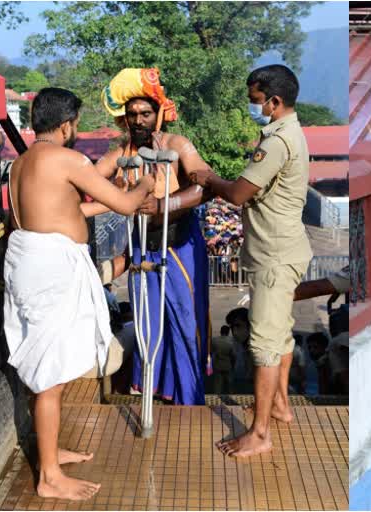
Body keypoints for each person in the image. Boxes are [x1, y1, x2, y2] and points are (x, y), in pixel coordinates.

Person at [3, 88, 155, 500]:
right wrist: (145, 186)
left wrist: (115, 201)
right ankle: (49, 476)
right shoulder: (70, 159)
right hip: (52, 270)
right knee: (50, 379)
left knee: (50, 370)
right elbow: (125, 204)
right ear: (68, 124)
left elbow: (62, 211)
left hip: (32, 262)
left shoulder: (21, 164)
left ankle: (50, 452)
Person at [188, 65, 313, 457]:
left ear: (275, 102)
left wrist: (209, 179)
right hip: (282, 248)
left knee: (263, 345)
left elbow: (239, 194)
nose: (252, 108)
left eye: (256, 101)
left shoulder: (277, 142)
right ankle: (278, 405)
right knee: (281, 334)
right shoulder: (288, 132)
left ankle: (259, 434)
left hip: (274, 257)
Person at [95, 68, 213, 405]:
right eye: (131, 114)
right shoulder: (121, 152)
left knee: (184, 324)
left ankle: (189, 399)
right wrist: (111, 187)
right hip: (142, 248)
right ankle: (156, 395)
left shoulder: (178, 145)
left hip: (179, 246)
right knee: (149, 323)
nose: (138, 120)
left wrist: (163, 204)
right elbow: (89, 179)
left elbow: (205, 184)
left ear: (158, 113)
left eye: (145, 113)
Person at [226, 307, 254, 393]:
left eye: (238, 326)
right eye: (232, 327)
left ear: (250, 326)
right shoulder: (238, 345)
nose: (234, 332)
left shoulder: (258, 349)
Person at [206, 326, 235, 394]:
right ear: (228, 332)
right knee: (229, 384)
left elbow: (209, 353)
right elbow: (234, 355)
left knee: (217, 384)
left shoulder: (214, 340)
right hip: (228, 365)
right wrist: (233, 365)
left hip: (217, 365)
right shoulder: (231, 341)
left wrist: (209, 368)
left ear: (220, 331)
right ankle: (230, 397)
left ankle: (217, 397)